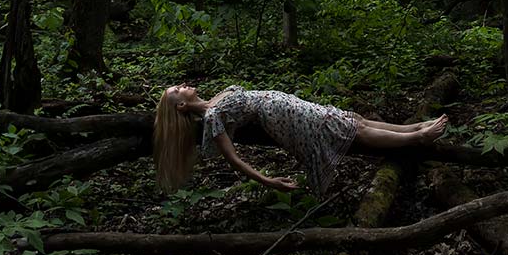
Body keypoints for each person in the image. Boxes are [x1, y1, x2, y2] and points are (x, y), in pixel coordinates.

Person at [153, 83, 449, 198]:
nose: (183, 85)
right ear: (181, 106)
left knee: (353, 119)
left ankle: (413, 127)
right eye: (178, 90)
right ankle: (418, 137)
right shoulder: (212, 117)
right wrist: (270, 181)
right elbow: (233, 159)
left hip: (282, 104)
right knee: (350, 129)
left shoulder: (215, 100)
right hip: (282, 114)